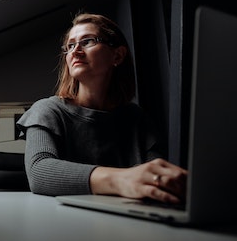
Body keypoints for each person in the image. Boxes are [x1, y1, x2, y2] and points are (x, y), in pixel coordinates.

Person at [16, 12, 187, 204]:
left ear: (117, 55)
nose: (75, 51)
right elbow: (39, 171)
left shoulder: (136, 118)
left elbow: (155, 176)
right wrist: (122, 180)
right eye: (70, 45)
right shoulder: (48, 110)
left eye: (88, 41)